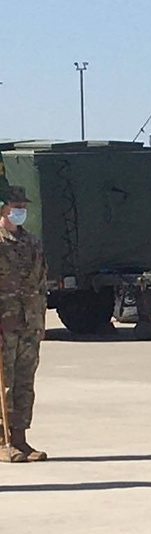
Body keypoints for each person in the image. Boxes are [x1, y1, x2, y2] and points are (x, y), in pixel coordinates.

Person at [0, 185, 48, 462]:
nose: (20, 210)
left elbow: (40, 283)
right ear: (3, 208)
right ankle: (3, 441)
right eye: (15, 205)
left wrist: (38, 320)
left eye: (23, 206)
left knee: (24, 382)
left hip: (29, 323)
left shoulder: (32, 243)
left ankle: (20, 438)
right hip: (4, 324)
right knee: (3, 383)